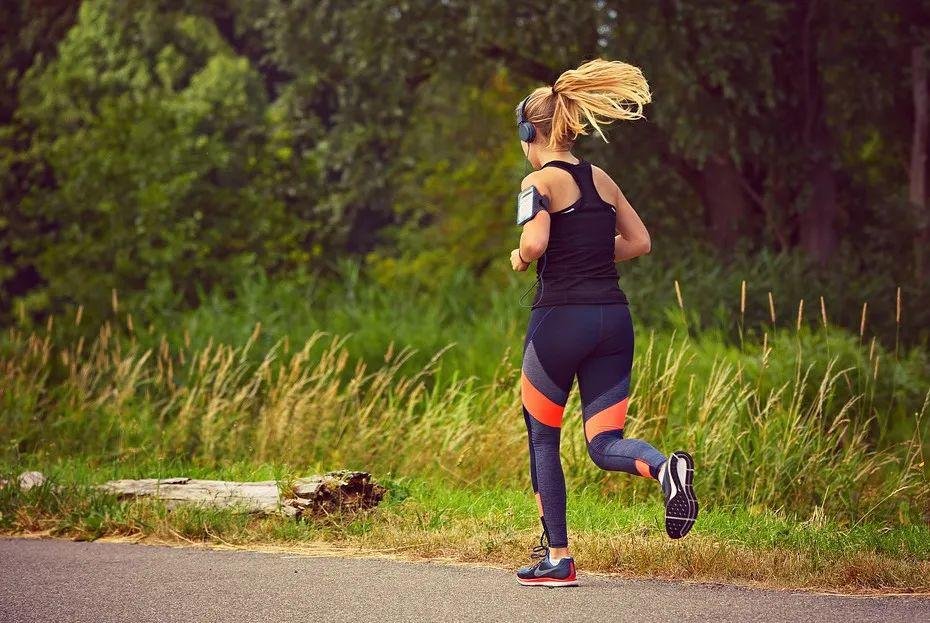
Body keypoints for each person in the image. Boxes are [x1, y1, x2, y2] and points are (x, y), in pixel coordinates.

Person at [509, 58, 698, 588]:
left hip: (559, 324)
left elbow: (537, 241)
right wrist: (589, 250)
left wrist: (524, 258)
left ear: (531, 131)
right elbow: (640, 242)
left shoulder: (537, 181)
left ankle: (559, 558)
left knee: (543, 438)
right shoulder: (602, 178)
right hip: (613, 322)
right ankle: (665, 469)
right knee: (604, 442)